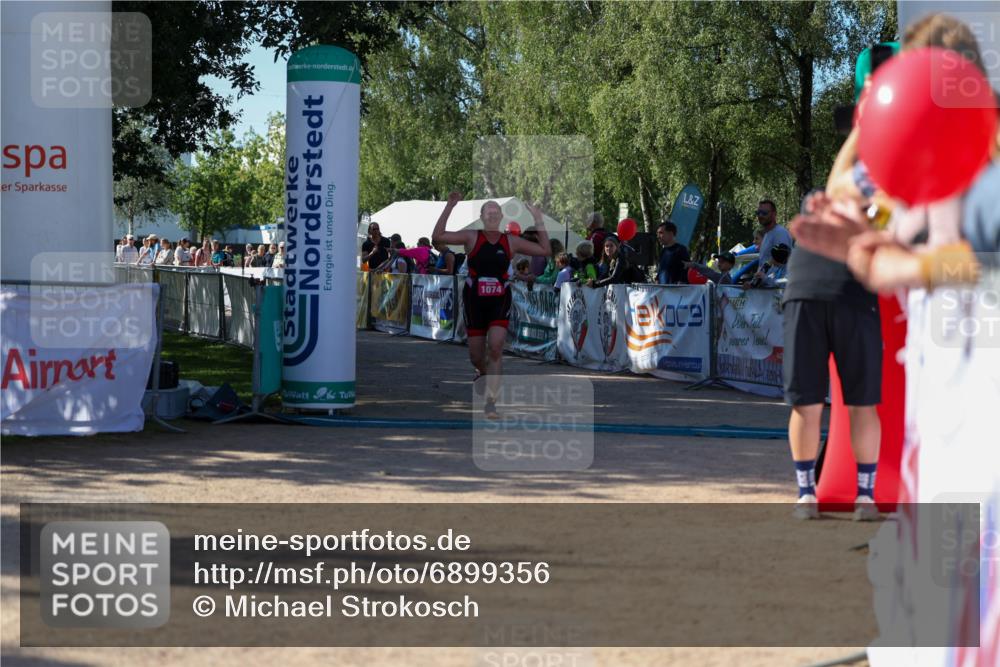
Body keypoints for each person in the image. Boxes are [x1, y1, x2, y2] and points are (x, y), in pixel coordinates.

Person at [781, 192, 882, 522]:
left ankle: (808, 494)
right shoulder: (870, 201)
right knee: (858, 403)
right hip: (837, 291)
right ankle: (861, 497)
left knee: (809, 403)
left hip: (809, 290)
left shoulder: (824, 198)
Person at [432, 191, 551, 418]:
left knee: (496, 347)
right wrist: (450, 206)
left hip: (499, 298)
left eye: (497, 211)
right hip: (474, 300)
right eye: (489, 211)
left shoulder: (511, 241)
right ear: (482, 216)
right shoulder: (471, 237)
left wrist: (538, 219)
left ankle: (491, 402)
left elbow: (545, 251)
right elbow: (437, 236)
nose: (493, 214)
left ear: (501, 216)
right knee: (476, 357)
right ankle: (484, 373)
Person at [755, 200, 794, 272]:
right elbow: (763, 264)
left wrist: (765, 278)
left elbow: (782, 264)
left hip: (776, 283)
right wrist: (754, 282)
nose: (760, 215)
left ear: (774, 214)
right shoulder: (767, 234)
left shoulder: (780, 233)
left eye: (764, 213)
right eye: (758, 213)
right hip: (765, 282)